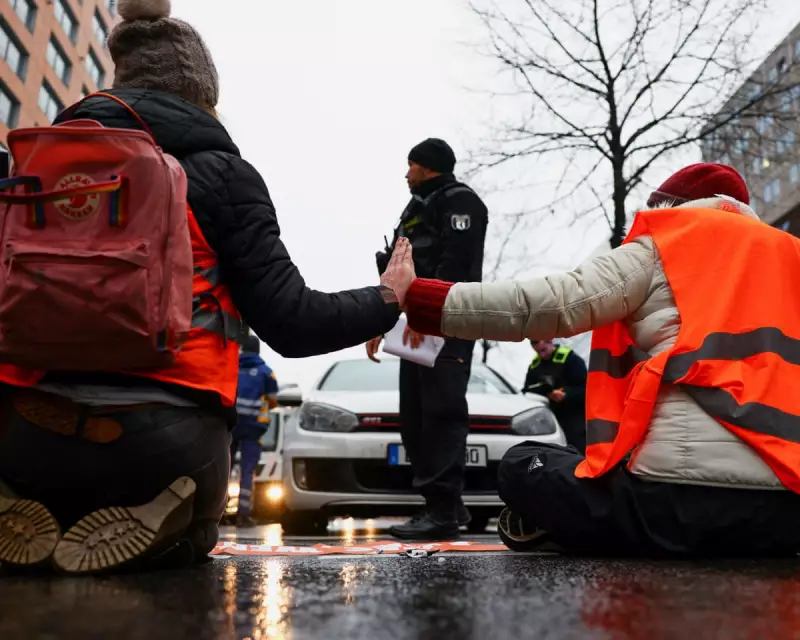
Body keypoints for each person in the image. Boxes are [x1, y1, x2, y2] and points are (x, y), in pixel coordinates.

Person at [0, 0, 414, 574]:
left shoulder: (33, 168)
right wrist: (389, 297)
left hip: (22, 432)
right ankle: (172, 522)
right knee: (196, 536)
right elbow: (292, 322)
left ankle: (21, 499)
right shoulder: (220, 175)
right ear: (201, 95)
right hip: (162, 443)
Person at [399, 162, 800, 557]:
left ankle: (566, 523)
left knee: (523, 462)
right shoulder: (791, 257)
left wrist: (421, 300)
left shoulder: (668, 241)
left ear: (670, 208)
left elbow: (553, 303)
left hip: (673, 508)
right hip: (785, 516)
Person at [368, 138, 488, 541]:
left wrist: (429, 314)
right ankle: (447, 506)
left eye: (411, 165)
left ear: (428, 166)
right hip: (415, 322)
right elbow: (399, 270)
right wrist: (379, 321)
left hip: (446, 323)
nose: (406, 173)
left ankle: (441, 512)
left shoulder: (461, 203)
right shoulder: (416, 208)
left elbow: (455, 268)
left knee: (440, 415)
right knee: (416, 419)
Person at [230, 332, 279, 528]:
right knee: (248, 471)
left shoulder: (231, 368)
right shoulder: (266, 372)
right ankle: (244, 515)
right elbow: (274, 400)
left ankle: (215, 513)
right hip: (253, 428)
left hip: (230, 425)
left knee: (223, 468)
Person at [523, 340, 588, 453]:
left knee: (576, 454)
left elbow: (587, 390)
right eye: (538, 352)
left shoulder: (571, 360)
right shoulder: (535, 366)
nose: (542, 355)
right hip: (547, 420)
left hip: (574, 419)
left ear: (550, 341)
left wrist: (566, 394)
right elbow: (526, 391)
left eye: (543, 350)